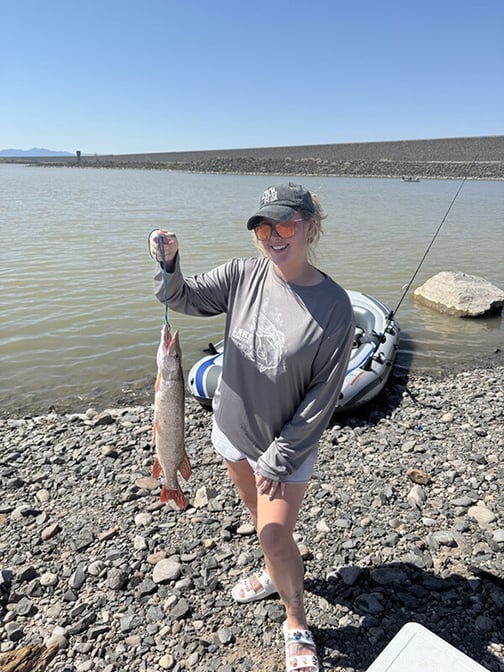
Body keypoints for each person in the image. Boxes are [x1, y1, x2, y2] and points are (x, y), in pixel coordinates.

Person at [149, 182, 355, 672]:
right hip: (231, 433)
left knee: (275, 534)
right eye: (263, 226)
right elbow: (180, 297)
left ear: (310, 227)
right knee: (260, 524)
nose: (272, 236)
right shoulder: (242, 274)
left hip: (285, 447)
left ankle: (295, 618)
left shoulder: (334, 307)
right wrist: (169, 260)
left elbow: (321, 399)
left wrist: (279, 457)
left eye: (284, 224)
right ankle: (271, 573)